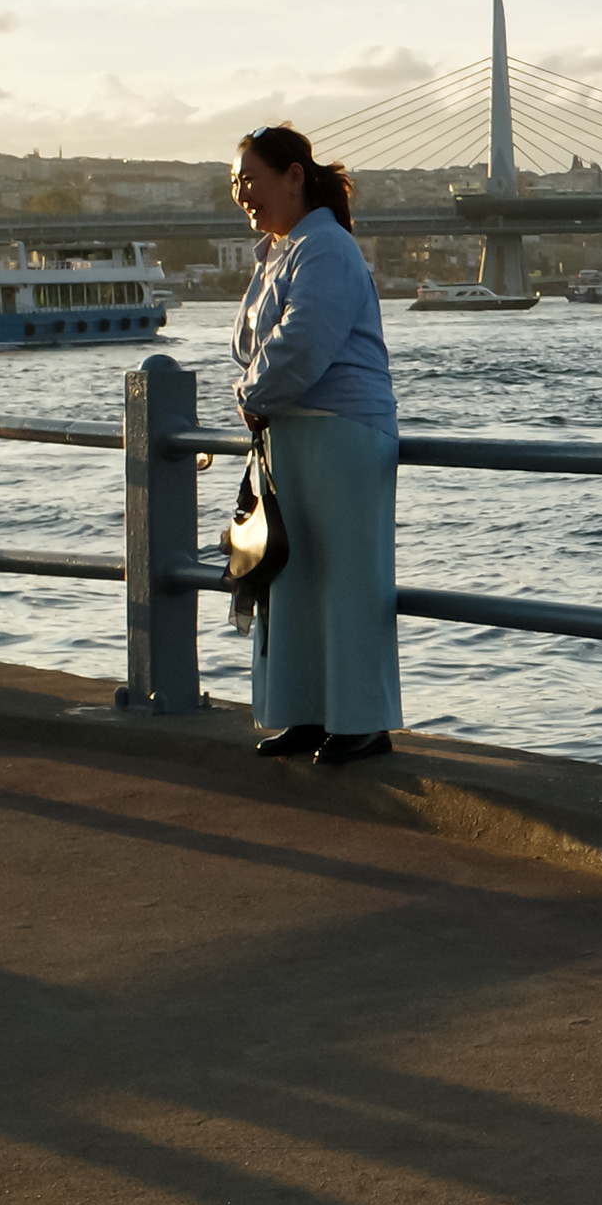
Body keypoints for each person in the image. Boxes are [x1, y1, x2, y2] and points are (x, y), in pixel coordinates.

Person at [231, 125, 401, 766]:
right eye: (237, 184)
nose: (243, 195)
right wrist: (257, 392)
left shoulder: (326, 247)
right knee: (295, 578)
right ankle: (305, 713)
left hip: (341, 429)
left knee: (347, 577)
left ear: (294, 176)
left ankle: (361, 722)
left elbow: (304, 341)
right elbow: (260, 346)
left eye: (252, 180)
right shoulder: (281, 251)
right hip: (295, 431)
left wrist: (251, 393)